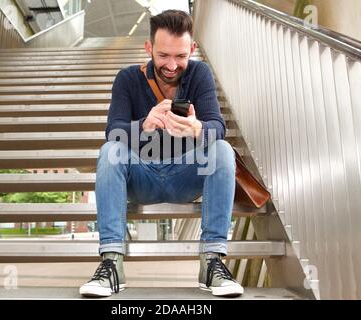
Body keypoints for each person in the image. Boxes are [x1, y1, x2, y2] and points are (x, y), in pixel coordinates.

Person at [79, 9, 243, 298]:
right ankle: (112, 263)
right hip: (142, 177)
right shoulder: (128, 79)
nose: (171, 65)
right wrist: (144, 124)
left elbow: (217, 127)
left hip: (185, 177)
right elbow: (113, 130)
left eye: (180, 56)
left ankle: (212, 263)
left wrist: (195, 128)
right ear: (149, 48)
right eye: (163, 55)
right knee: (110, 151)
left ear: (192, 49)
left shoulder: (200, 73)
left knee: (222, 150)